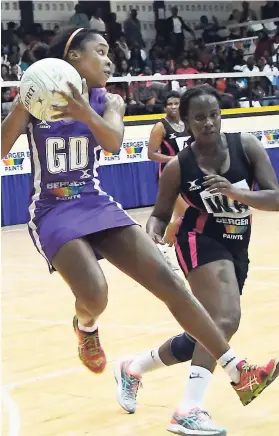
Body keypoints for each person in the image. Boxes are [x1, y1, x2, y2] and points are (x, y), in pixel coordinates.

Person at [1, 28, 277, 413]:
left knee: (170, 282)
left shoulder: (109, 99)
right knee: (95, 294)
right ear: (74, 57)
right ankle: (86, 326)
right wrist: (22, 104)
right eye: (101, 51)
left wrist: (84, 111)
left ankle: (237, 372)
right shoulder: (36, 104)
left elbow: (113, 141)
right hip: (51, 207)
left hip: (94, 200)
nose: (110, 59)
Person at [114, 85, 279, 435]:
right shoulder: (179, 165)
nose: (209, 123)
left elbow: (275, 198)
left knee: (202, 334)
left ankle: (133, 367)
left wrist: (237, 192)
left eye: (214, 115)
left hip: (236, 244)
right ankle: (189, 408)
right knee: (226, 317)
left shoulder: (245, 145)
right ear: (186, 122)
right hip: (197, 239)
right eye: (200, 117)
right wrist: (153, 234)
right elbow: (158, 214)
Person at [147, 91, 189, 268]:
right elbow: (151, 154)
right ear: (164, 107)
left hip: (189, 174)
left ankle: (168, 249)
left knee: (181, 217)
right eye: (169, 104)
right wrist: (173, 159)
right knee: (188, 213)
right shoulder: (160, 126)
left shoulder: (187, 123)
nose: (173, 106)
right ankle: (162, 247)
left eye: (176, 103)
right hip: (170, 176)